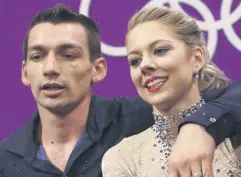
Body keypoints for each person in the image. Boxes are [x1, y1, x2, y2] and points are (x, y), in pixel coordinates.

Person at [0, 3, 241, 177]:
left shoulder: (139, 114)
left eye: (68, 55)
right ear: (24, 72)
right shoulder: (4, 160)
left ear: (98, 69)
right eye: (37, 56)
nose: (50, 68)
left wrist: (200, 126)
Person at [101, 5, 241, 177]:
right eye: (135, 60)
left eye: (160, 50)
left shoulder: (234, 137)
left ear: (196, 59)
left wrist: (200, 124)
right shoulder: (123, 157)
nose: (144, 65)